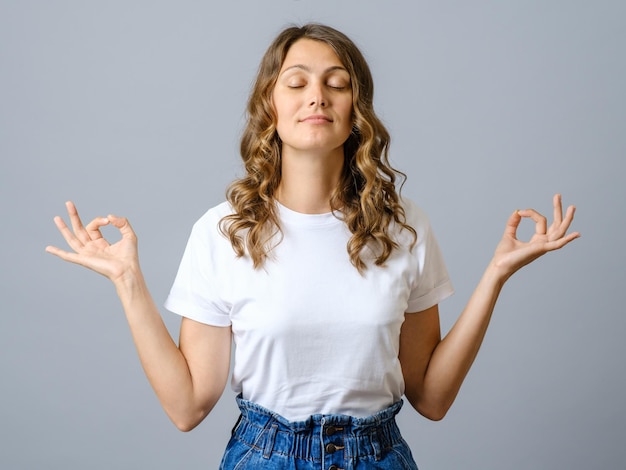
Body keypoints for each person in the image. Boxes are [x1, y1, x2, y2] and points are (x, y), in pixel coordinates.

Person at [45, 23, 579, 470]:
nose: (316, 96)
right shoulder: (222, 230)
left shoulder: (403, 226)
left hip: (379, 456)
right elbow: (187, 406)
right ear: (270, 108)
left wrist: (495, 276)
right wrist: (127, 280)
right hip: (263, 456)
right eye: (296, 83)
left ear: (356, 109)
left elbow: (432, 399)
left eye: (336, 83)